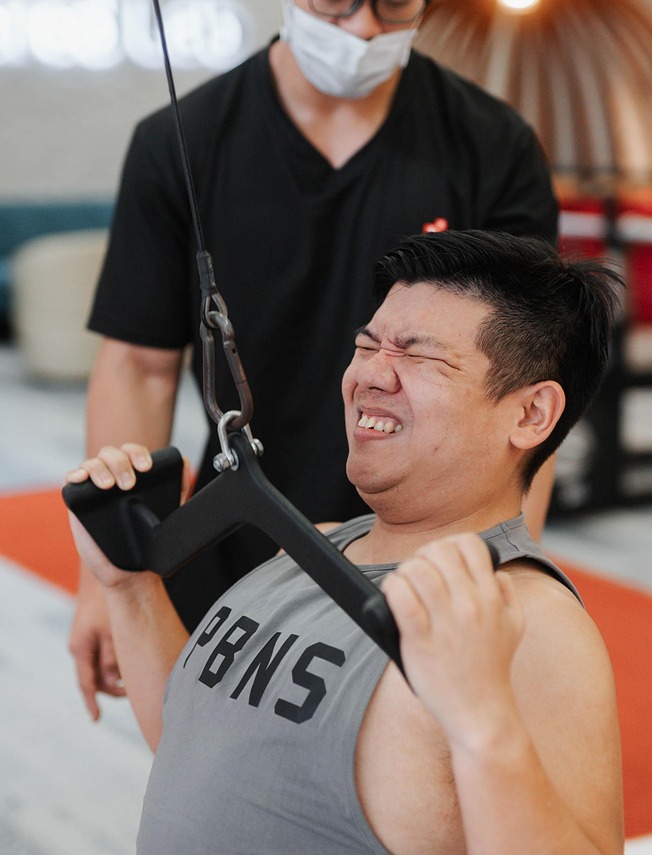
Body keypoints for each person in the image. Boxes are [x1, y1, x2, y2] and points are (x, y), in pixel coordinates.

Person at [71, 0, 562, 723]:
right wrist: (105, 581)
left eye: (394, 2)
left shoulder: (494, 147)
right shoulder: (182, 141)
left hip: (425, 553)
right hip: (235, 536)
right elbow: (139, 366)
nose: (363, 27)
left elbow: (524, 387)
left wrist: (510, 570)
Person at [66, 230, 624, 854]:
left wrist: (484, 725)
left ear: (530, 415)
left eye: (419, 357)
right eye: (366, 345)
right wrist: (128, 585)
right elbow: (194, 741)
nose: (369, 375)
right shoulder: (313, 545)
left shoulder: (532, 624)